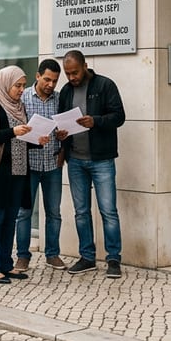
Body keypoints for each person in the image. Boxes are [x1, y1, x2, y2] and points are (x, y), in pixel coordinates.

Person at [57, 50, 126, 279]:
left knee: (108, 211)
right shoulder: (66, 91)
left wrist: (95, 121)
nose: (71, 77)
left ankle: (113, 259)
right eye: (67, 73)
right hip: (76, 160)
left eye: (75, 72)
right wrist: (61, 135)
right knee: (81, 212)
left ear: (85, 66)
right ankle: (87, 257)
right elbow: (61, 122)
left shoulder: (105, 86)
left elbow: (119, 116)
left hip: (102, 159)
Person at [0, 66, 35, 284]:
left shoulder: (19, 107)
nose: (21, 90)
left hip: (18, 171)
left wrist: (36, 141)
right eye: (17, 85)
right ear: (5, 84)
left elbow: (20, 141)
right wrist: (13, 132)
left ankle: (6, 264)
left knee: (10, 219)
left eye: (23, 85)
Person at [15, 58, 64, 272]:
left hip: (53, 163)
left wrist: (63, 143)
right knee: (24, 212)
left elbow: (64, 127)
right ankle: (23, 256)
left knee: (54, 212)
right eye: (47, 79)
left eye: (54, 81)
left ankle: (52, 254)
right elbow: (16, 130)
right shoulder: (23, 98)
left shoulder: (60, 99)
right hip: (29, 164)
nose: (50, 85)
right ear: (37, 76)